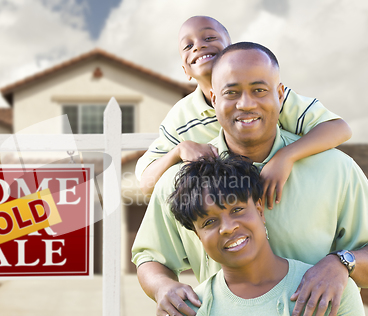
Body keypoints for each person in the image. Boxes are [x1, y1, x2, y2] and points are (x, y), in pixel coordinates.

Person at [132, 42, 368, 316]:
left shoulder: (336, 169)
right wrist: (163, 288)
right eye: (231, 92)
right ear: (212, 97)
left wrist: (342, 264)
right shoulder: (182, 181)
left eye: (259, 90)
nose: (245, 104)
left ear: (280, 94)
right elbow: (149, 257)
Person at [136, 16, 351, 212]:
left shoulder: (269, 98)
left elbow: (339, 129)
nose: (199, 46)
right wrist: (178, 151)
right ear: (185, 70)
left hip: (287, 202)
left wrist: (286, 156)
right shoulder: (181, 118)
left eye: (209, 37)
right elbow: (146, 183)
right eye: (188, 45)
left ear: (232, 49)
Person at [163, 154, 368, 316]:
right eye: (208, 222)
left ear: (260, 211)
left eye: (237, 210)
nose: (227, 227)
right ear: (199, 237)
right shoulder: (185, 312)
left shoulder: (331, 288)